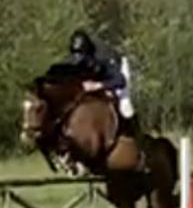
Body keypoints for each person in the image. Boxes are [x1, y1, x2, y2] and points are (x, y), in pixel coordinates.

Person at [60, 29, 147, 172]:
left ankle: (142, 149)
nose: (78, 60)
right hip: (99, 78)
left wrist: (98, 85)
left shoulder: (104, 58)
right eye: (75, 55)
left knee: (126, 108)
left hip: (118, 72)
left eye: (81, 56)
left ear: (88, 53)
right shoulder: (71, 61)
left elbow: (120, 81)